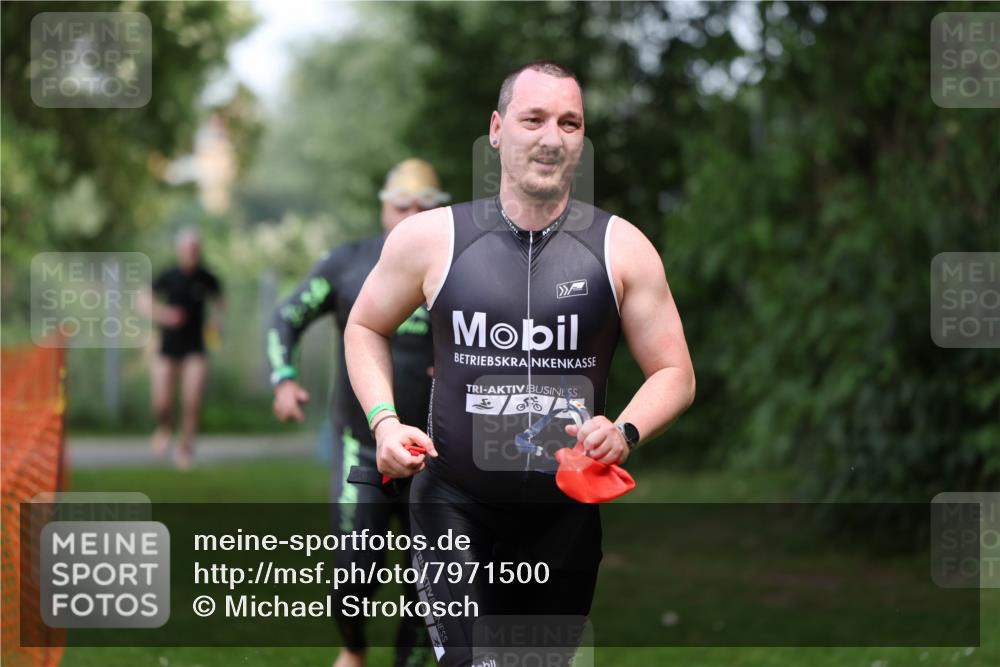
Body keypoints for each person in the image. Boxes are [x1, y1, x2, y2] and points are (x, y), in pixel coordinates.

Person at [344, 61, 696, 666]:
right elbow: (364, 325)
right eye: (534, 119)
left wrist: (625, 430)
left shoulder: (621, 248)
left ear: (582, 139)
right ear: (498, 129)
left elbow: (676, 372)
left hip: (564, 520)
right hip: (452, 504)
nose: (551, 137)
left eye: (569, 122)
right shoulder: (433, 239)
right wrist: (383, 422)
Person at [267, 158, 448, 667]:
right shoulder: (347, 263)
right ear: (383, 208)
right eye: (401, 203)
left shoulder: (459, 267)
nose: (412, 212)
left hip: (437, 455)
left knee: (430, 580)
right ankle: (353, 651)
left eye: (426, 205)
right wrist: (283, 379)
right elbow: (286, 317)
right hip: (363, 449)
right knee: (353, 569)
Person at [145, 227, 224, 469]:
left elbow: (221, 303)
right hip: (167, 347)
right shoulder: (168, 275)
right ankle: (165, 427)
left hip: (195, 349)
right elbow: (143, 300)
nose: (192, 253)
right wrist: (164, 314)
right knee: (161, 401)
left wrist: (216, 324)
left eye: (195, 248)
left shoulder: (206, 278)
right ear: (180, 250)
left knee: (192, 399)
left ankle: (186, 447)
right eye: (188, 248)